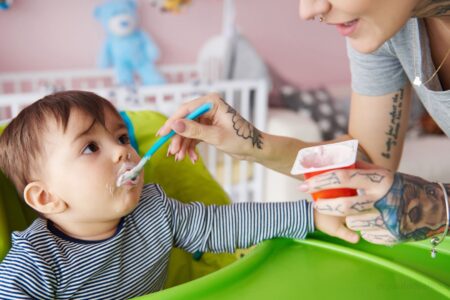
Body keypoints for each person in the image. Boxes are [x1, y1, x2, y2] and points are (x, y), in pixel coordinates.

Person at [0, 90, 357, 299]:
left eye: (122, 138)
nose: (123, 152)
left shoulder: (155, 210)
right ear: (46, 198)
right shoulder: (34, 264)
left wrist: (309, 214)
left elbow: (221, 225)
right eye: (91, 148)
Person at [157, 0, 450, 249]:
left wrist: (439, 207)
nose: (308, 10)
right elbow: (368, 158)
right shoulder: (388, 29)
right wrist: (254, 145)